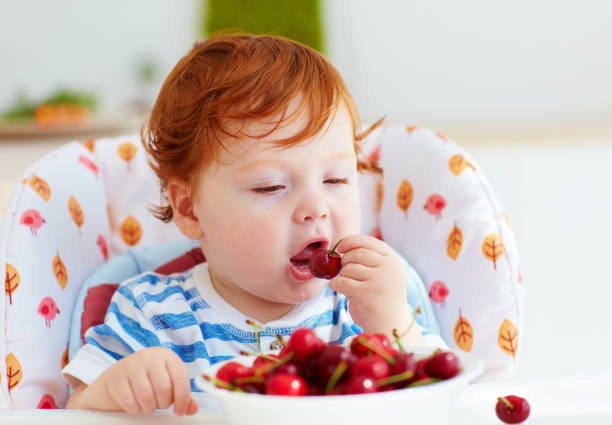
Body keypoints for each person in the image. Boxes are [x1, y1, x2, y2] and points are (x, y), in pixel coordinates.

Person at [63, 34, 445, 415]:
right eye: (271, 186)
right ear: (191, 209)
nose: (316, 207)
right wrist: (117, 388)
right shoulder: (151, 311)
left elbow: (441, 402)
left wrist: (396, 327)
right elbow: (76, 407)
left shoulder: (362, 306)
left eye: (336, 181)